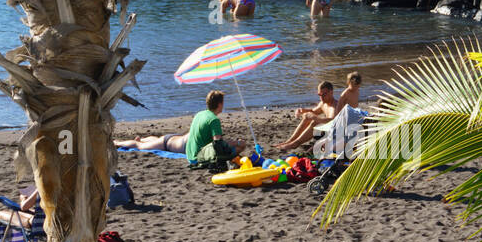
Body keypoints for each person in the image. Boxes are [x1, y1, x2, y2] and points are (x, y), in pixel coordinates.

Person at [115, 90, 246, 163]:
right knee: (139, 146)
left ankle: (142, 138)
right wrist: (237, 143)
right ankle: (117, 142)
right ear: (219, 104)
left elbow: (215, 142)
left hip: (176, 139)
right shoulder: (213, 120)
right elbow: (218, 143)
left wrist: (234, 143)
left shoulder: (201, 114)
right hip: (169, 144)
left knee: (156, 139)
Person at [277, 81, 336, 152]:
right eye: (319, 95)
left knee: (315, 122)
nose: (321, 98)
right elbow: (313, 111)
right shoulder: (323, 103)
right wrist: (302, 110)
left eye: (324, 94)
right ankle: (290, 141)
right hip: (326, 132)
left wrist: (314, 117)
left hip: (336, 135)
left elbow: (332, 121)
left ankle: (295, 143)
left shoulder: (335, 106)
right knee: (307, 117)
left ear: (331, 92)